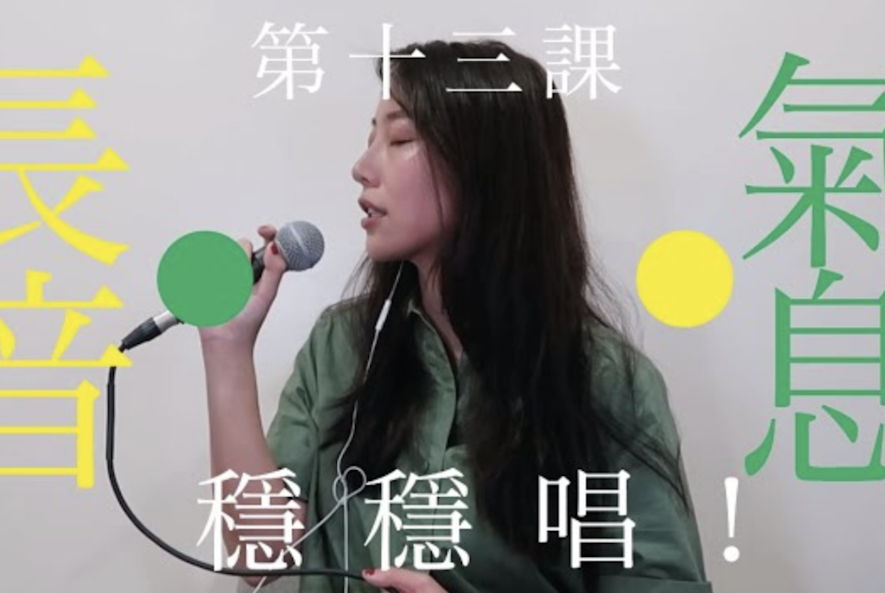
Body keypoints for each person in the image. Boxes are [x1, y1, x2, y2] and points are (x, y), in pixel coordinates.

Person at [198, 39, 712, 593]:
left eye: (400, 139)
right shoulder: (340, 347)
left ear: (486, 165)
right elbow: (259, 555)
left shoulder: (605, 379)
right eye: (370, 139)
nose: (362, 168)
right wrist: (227, 348)